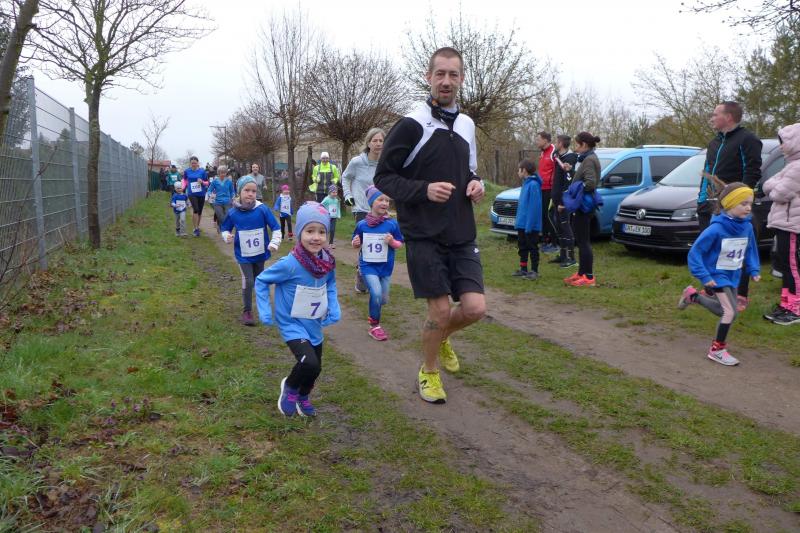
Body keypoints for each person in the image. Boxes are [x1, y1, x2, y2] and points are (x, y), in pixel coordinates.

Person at [374, 46, 487, 404]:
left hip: (461, 231)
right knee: (438, 310)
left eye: (453, 74)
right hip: (423, 233)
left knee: (475, 308)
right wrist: (424, 190)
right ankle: (429, 371)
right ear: (429, 77)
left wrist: (476, 184)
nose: (446, 81)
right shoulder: (412, 124)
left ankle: (442, 336)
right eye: (440, 74)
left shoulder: (467, 124)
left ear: (461, 79)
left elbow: (470, 170)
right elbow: (384, 177)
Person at [255, 202, 340, 417]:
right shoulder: (290, 264)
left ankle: (303, 396)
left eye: (321, 232)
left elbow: (330, 284)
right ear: (300, 232)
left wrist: (334, 307)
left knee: (316, 368)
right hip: (291, 323)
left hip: (313, 323)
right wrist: (265, 310)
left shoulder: (327, 263)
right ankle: (290, 387)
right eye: (310, 231)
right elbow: (262, 280)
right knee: (308, 362)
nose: (316, 237)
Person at [678, 183, 761, 365]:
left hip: (733, 275)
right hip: (716, 275)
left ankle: (693, 297)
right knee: (729, 312)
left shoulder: (746, 227)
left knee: (729, 312)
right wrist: (704, 276)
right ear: (729, 204)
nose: (748, 208)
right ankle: (717, 350)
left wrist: (754, 269)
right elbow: (695, 253)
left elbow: (750, 249)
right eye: (743, 204)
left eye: (750, 204)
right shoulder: (715, 229)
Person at [698, 101, 762, 312]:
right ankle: (713, 289)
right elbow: (707, 173)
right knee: (713, 249)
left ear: (728, 117)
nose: (712, 118)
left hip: (735, 208)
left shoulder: (747, 139)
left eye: (715, 114)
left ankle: (741, 293)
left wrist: (740, 201)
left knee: (736, 251)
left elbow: (752, 172)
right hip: (711, 206)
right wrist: (701, 200)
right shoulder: (714, 142)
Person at [220, 176, 282, 326]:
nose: (250, 194)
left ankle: (263, 308)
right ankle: (247, 311)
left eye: (253, 191)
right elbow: (225, 228)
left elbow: (276, 227)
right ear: (239, 192)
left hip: (260, 253)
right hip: (243, 255)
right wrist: (227, 236)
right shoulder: (233, 212)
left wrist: (274, 242)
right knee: (248, 281)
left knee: (259, 280)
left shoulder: (262, 209)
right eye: (246, 190)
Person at [351, 186, 404, 341]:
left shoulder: (392, 224)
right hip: (368, 265)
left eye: (387, 200)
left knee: (383, 299)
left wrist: (392, 242)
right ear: (371, 202)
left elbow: (400, 243)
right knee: (375, 293)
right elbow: (355, 241)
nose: (385, 203)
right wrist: (355, 242)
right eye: (381, 199)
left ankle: (360, 279)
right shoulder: (362, 224)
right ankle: (374, 326)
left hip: (385, 267)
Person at [762, 123, 800, 325]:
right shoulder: (791, 165)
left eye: (783, 142)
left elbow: (778, 193)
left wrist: (775, 186)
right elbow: (766, 184)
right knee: (785, 265)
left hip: (792, 224)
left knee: (792, 266)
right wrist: (775, 186)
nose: (781, 146)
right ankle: (786, 304)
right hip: (784, 223)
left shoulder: (798, 167)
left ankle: (795, 309)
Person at [342, 128, 386, 293]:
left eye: (381, 141)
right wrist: (347, 195)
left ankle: (376, 276)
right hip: (361, 208)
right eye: (375, 140)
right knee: (365, 244)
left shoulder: (385, 163)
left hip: (380, 209)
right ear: (368, 143)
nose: (378, 144)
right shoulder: (357, 162)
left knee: (380, 243)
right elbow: (345, 177)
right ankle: (361, 276)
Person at [562, 132, 602, 287]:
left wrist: (575, 190)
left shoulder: (590, 159)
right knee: (580, 240)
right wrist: (572, 171)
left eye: (577, 144)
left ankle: (589, 277)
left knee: (584, 242)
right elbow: (583, 177)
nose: (576, 148)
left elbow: (590, 183)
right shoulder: (587, 158)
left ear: (584, 145)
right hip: (581, 206)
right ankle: (581, 273)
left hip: (584, 206)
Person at [550, 135, 579, 268]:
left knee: (565, 226)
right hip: (556, 198)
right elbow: (554, 156)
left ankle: (571, 258)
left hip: (564, 200)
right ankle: (562, 255)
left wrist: (562, 202)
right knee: (559, 225)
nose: (555, 144)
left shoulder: (570, 159)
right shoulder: (559, 156)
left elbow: (568, 183)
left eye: (557, 142)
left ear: (561, 143)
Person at [512, 159, 542, 280]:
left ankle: (534, 271)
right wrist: (519, 222)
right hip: (522, 224)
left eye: (519, 170)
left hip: (530, 225)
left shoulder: (533, 185)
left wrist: (529, 225)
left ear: (524, 170)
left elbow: (534, 207)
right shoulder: (525, 183)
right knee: (522, 247)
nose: (518, 172)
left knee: (532, 247)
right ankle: (523, 269)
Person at [535, 132, 558, 252]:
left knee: (549, 215)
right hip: (542, 188)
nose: (536, 142)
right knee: (543, 215)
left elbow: (557, 170)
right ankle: (545, 241)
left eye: (538, 139)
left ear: (545, 140)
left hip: (550, 189)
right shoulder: (542, 152)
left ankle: (555, 243)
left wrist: (554, 188)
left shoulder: (554, 151)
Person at [183, 156, 209, 237]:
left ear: (198, 163)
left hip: (201, 193)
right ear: (190, 163)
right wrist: (184, 187)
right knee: (196, 209)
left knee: (200, 211)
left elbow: (207, 182)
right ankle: (195, 228)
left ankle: (197, 227)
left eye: (195, 163)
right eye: (192, 163)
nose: (193, 164)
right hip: (192, 193)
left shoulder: (202, 171)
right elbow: (184, 180)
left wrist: (202, 182)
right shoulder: (187, 171)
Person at [207, 165, 236, 233]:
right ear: (218, 173)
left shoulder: (229, 181)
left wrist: (233, 196)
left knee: (227, 216)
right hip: (217, 202)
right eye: (221, 173)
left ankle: (223, 229)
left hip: (227, 201)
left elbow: (232, 191)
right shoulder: (215, 181)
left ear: (226, 173)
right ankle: (223, 228)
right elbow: (209, 190)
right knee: (221, 217)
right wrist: (210, 195)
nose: (223, 174)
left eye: (224, 172)